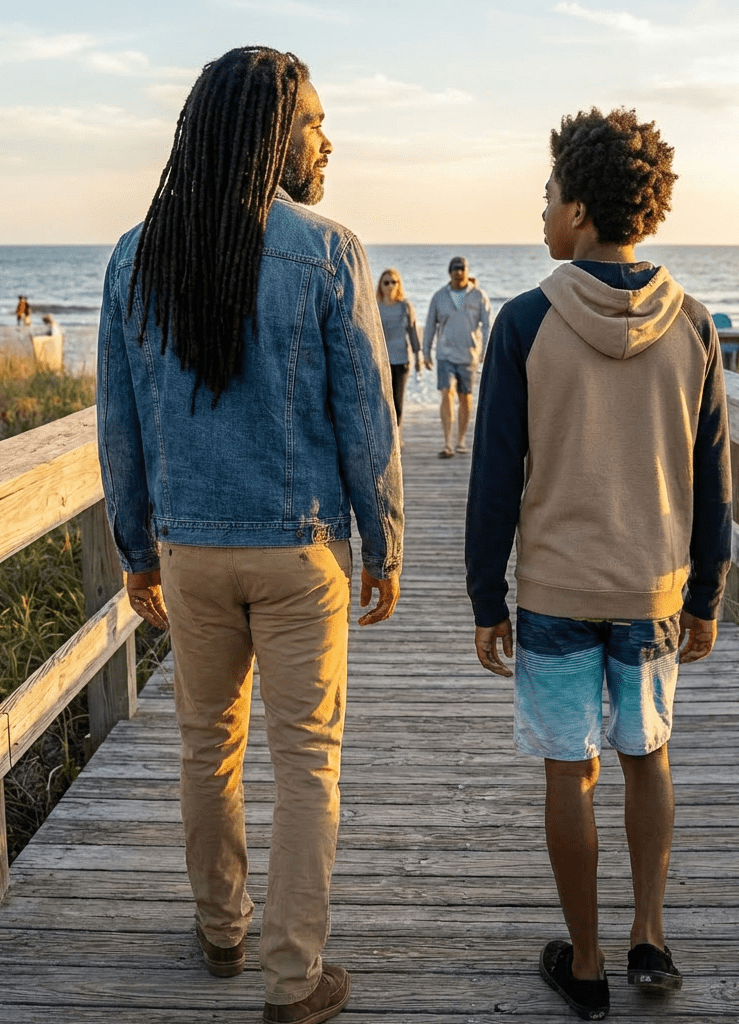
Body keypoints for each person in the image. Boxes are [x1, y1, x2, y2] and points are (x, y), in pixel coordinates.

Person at [96, 47, 403, 1024]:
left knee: (206, 748)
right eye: (312, 120)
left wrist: (136, 543)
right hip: (299, 550)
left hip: (190, 550)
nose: (326, 137)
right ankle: (293, 978)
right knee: (307, 757)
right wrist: (384, 543)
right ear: (274, 137)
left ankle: (222, 932)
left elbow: (119, 420)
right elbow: (366, 417)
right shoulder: (328, 251)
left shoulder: (134, 254)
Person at [465, 107, 732, 1021]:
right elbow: (713, 476)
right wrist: (708, 591)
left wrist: (482, 597)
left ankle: (584, 962)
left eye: (546, 195)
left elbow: (496, 477)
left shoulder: (526, 322)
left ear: (577, 210)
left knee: (566, 771)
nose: (539, 212)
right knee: (648, 758)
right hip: (653, 586)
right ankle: (648, 938)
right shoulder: (693, 324)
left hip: (554, 590)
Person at [422, 256, 490, 458]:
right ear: (449, 272)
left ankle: (461, 440)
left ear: (467, 271)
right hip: (445, 354)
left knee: (465, 398)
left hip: (469, 355)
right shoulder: (439, 296)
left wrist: (485, 351)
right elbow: (429, 326)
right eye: (455, 269)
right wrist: (426, 352)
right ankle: (447, 443)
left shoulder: (478, 295)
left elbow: (486, 326)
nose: (458, 272)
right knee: (446, 393)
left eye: (462, 269)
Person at [376, 268, 421, 431]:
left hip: (401, 360)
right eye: (386, 282)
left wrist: (418, 357)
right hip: (380, 361)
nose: (390, 286)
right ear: (381, 285)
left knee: (397, 401)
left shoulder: (405, 306)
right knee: (381, 401)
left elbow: (413, 331)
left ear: (399, 284)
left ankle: (396, 434)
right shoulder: (374, 307)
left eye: (393, 282)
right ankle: (384, 434)